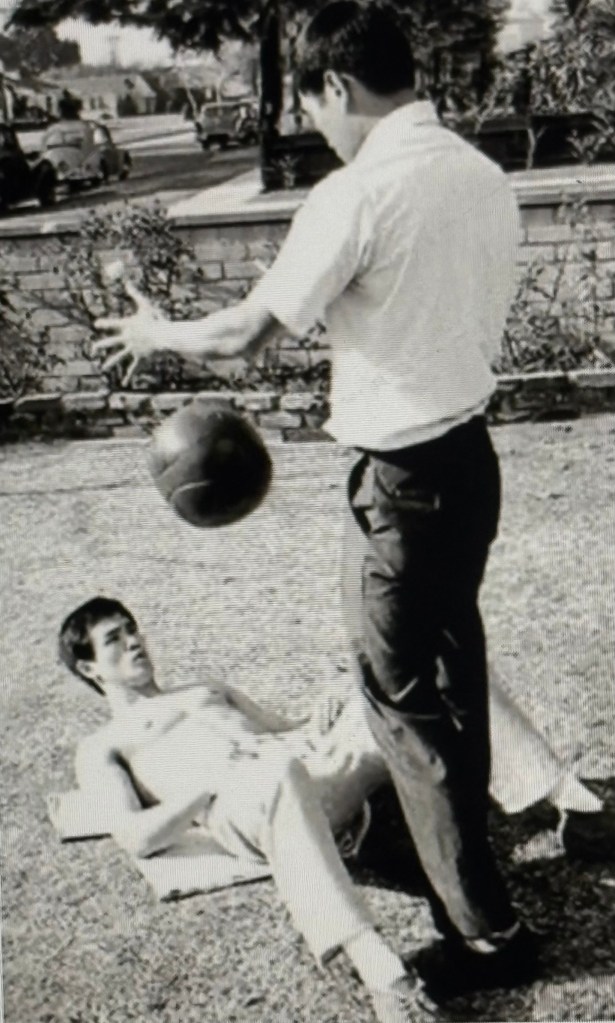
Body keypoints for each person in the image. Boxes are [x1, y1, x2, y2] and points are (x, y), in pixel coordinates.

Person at [89, 0, 569, 1003]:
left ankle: (486, 933)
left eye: (315, 110)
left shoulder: (360, 193)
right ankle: (474, 874)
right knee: (451, 677)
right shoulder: (484, 175)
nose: (318, 130)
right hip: (469, 461)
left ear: (337, 88)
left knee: (406, 710)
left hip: (400, 484)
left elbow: (246, 337)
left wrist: (158, 337)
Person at [60, 597, 599, 1021]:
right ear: (89, 668)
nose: (135, 641)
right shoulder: (103, 745)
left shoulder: (205, 689)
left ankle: (578, 807)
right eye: (115, 639)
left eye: (132, 628)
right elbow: (137, 838)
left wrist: (330, 709)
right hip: (238, 804)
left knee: (412, 670)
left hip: (299, 768)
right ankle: (384, 977)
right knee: (275, 773)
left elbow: (286, 733)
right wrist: (202, 793)